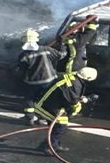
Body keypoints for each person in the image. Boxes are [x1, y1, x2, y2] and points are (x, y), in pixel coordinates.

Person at [18, 22, 99, 152]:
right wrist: (85, 100)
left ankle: (46, 139)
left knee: (30, 98)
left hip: (33, 82)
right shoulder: (46, 49)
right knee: (61, 123)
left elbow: (21, 69)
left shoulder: (23, 56)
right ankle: (49, 145)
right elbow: (72, 101)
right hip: (47, 87)